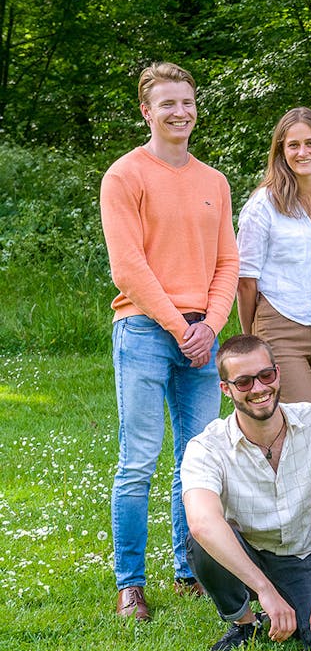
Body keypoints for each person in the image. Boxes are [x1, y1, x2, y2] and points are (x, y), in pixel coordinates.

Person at [100, 61, 239, 621]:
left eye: (187, 102)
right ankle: (130, 582)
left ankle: (191, 570)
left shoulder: (214, 181)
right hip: (143, 329)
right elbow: (127, 267)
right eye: (167, 104)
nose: (179, 112)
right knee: (138, 459)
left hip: (202, 334)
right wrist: (182, 328)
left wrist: (211, 325)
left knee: (197, 458)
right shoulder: (124, 176)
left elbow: (228, 261)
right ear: (147, 111)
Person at [182, 335, 311, 651]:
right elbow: (202, 523)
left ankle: (292, 601)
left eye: (266, 375)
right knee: (201, 542)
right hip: (245, 553)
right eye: (244, 382)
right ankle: (245, 621)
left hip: (303, 555)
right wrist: (264, 589)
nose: (260, 388)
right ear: (226, 389)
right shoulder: (206, 447)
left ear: (278, 372)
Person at [236, 107, 311, 416]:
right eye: (293, 145)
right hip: (280, 325)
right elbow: (246, 281)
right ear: (281, 152)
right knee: (307, 420)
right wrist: (253, 337)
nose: (303, 152)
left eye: (310, 143)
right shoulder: (263, 205)